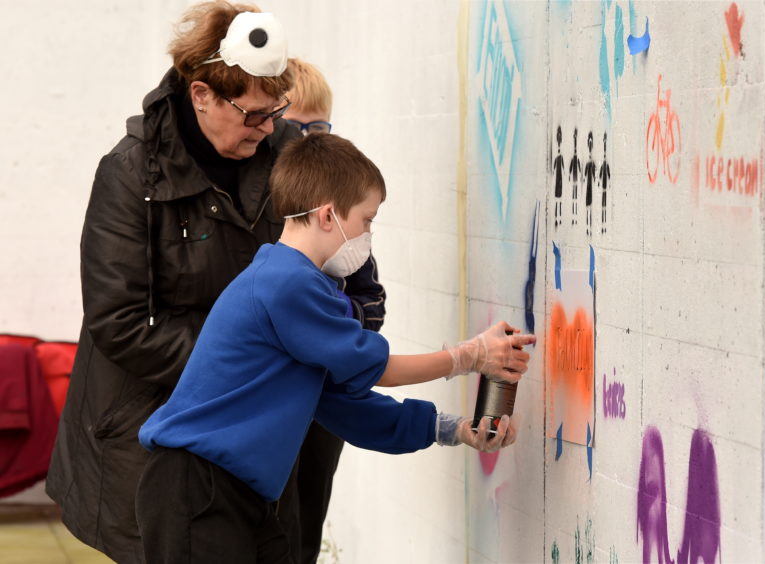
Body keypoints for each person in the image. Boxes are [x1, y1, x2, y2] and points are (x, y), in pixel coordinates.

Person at [44, 4, 377, 563]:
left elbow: (354, 274)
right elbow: (119, 322)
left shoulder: (293, 156)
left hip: (278, 431)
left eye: (276, 111)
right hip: (159, 428)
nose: (268, 128)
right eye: (252, 115)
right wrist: (248, 363)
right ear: (202, 95)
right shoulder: (130, 175)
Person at [135, 132, 536, 563]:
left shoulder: (300, 284)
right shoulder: (287, 283)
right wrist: (469, 356)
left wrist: (451, 428)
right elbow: (373, 366)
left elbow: (342, 404)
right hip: (199, 489)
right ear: (328, 216)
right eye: (366, 219)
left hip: (237, 493)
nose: (368, 234)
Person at [275, 58, 361, 564]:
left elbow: (370, 292)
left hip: (325, 397)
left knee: (308, 520)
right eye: (293, 128)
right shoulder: (262, 205)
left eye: (320, 128)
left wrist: (349, 329)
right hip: (275, 395)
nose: (307, 141)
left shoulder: (341, 204)